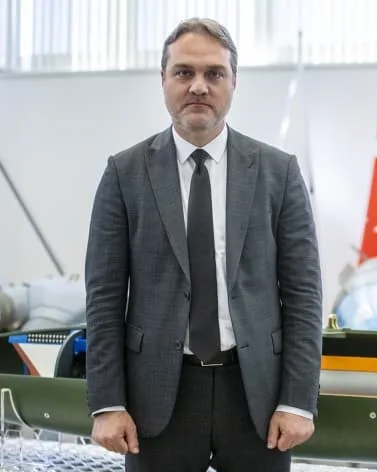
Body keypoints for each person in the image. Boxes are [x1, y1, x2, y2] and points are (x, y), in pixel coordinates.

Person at [83, 17, 323, 472]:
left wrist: (297, 400)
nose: (198, 86)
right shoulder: (124, 174)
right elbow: (104, 298)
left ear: (234, 82)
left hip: (257, 398)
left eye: (214, 73)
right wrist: (107, 402)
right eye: (184, 72)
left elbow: (304, 296)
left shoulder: (279, 173)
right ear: (163, 79)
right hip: (156, 399)